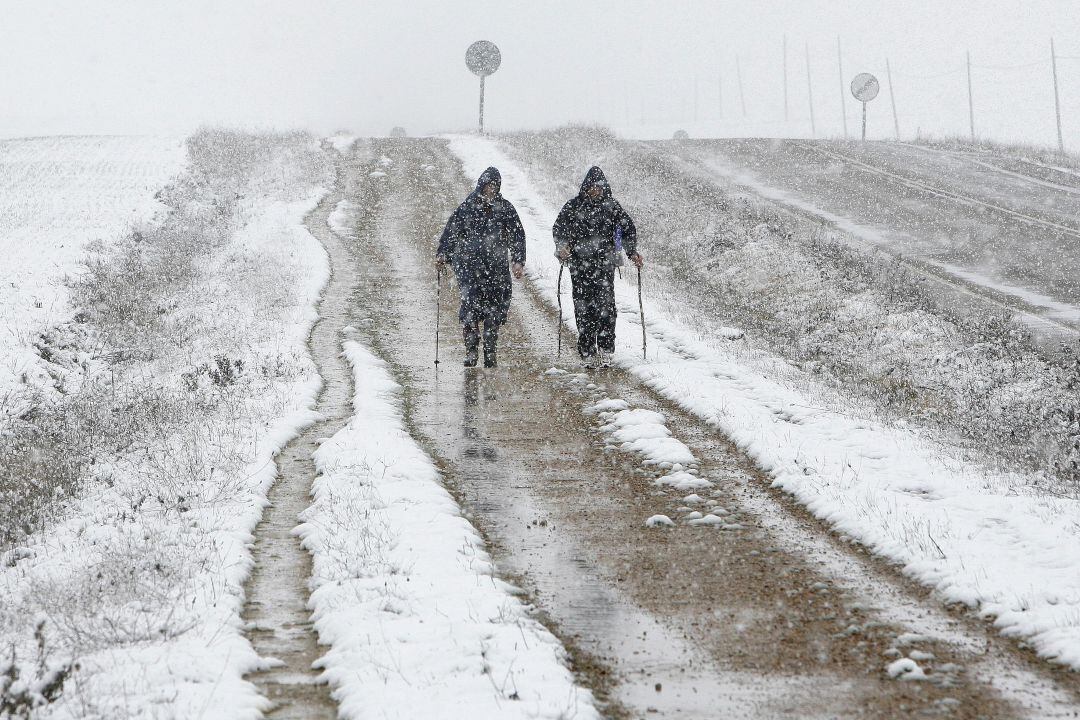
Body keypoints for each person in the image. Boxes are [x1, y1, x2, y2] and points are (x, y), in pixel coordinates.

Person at [553, 166, 643, 368]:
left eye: (599, 187)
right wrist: (562, 247)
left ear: (604, 188)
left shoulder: (612, 207)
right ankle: (587, 351)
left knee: (606, 308)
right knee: (584, 308)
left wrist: (632, 253)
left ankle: (605, 349)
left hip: (604, 266)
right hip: (579, 266)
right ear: (586, 187)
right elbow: (559, 228)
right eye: (592, 186)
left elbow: (628, 229)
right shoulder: (574, 206)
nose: (596, 190)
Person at [436, 167, 525, 368]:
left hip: (497, 270)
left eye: (494, 186)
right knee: (470, 311)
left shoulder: (506, 208)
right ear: (481, 185)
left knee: (493, 312)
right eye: (488, 185)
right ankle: (471, 351)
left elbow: (518, 236)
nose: (490, 189)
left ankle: (490, 352)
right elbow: (451, 232)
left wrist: (518, 261)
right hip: (469, 269)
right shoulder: (467, 208)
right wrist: (443, 253)